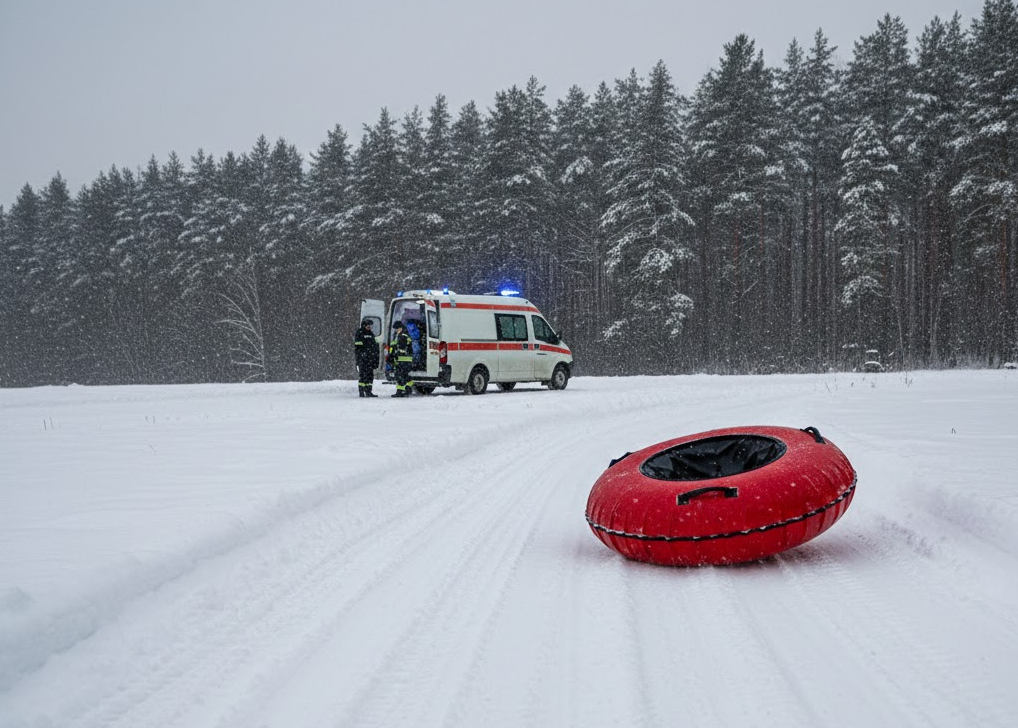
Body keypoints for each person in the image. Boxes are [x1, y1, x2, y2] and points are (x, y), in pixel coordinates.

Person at [353, 318, 379, 397]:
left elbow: (375, 347)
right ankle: (361, 391)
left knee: (370, 376)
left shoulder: (371, 334)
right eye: (368, 326)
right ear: (364, 326)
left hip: (370, 359)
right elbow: (358, 347)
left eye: (370, 326)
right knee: (363, 376)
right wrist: (361, 357)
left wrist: (375, 359)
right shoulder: (360, 333)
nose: (369, 327)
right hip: (363, 359)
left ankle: (368, 391)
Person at [389, 320, 414, 397]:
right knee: (404, 375)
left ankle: (400, 391)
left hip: (402, 358)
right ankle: (407, 388)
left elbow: (400, 347)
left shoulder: (403, 335)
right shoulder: (400, 334)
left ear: (400, 328)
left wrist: (393, 354)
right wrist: (391, 354)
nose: (396, 330)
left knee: (400, 375)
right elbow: (393, 346)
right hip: (403, 359)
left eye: (397, 328)